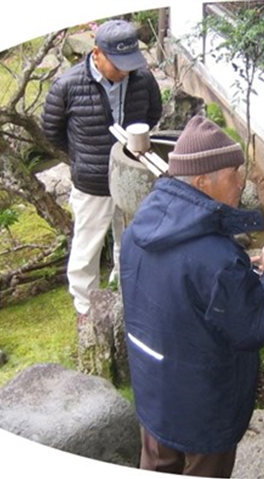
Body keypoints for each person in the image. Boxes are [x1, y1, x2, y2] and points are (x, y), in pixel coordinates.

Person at [119, 115, 264, 477]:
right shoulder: (218, 260)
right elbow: (255, 327)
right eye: (233, 174)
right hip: (206, 405)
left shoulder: (137, 230)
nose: (242, 182)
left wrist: (239, 276)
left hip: (154, 387)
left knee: (157, 466)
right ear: (201, 182)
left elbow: (171, 294)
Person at [41, 19, 162, 321]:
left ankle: (124, 288)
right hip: (91, 181)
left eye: (130, 64)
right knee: (87, 246)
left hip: (131, 175)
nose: (125, 72)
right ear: (96, 54)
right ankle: (85, 307)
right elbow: (52, 132)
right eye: (119, 64)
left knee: (130, 237)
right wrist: (82, 157)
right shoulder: (67, 85)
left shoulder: (143, 79)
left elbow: (153, 113)